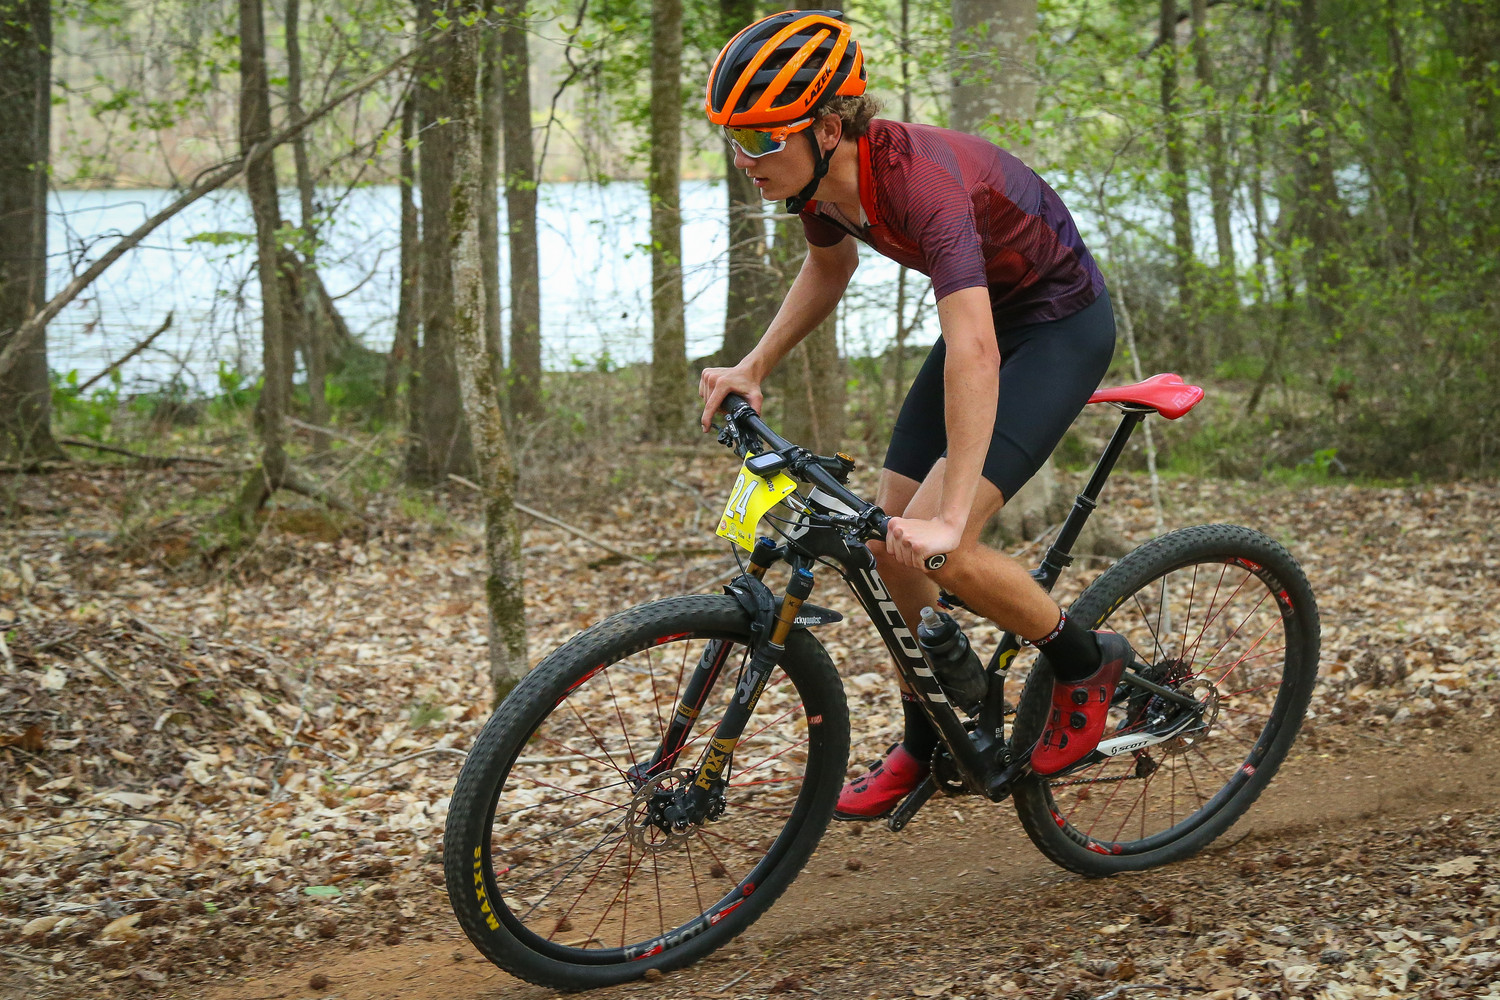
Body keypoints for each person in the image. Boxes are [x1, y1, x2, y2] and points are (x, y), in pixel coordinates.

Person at [697, 10, 1131, 819]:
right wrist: (754, 365)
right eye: (732, 138)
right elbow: (829, 269)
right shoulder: (817, 182)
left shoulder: (920, 184)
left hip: (1056, 326)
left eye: (759, 138)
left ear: (828, 128)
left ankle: (1086, 661)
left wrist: (953, 515)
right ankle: (929, 739)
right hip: (988, 322)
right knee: (883, 545)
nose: (742, 159)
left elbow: (976, 350)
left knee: (939, 548)